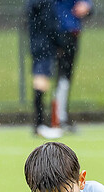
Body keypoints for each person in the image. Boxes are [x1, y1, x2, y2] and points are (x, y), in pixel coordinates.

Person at [53, 0, 93, 132]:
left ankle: (59, 117)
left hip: (71, 32)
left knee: (65, 75)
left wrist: (87, 6)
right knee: (53, 75)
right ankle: (54, 119)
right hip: (56, 31)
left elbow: (86, 5)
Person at [26, 0, 64, 139]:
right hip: (45, 45)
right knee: (41, 82)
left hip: (36, 43)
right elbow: (51, 23)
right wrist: (59, 43)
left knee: (40, 80)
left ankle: (39, 124)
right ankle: (40, 124)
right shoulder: (47, 3)